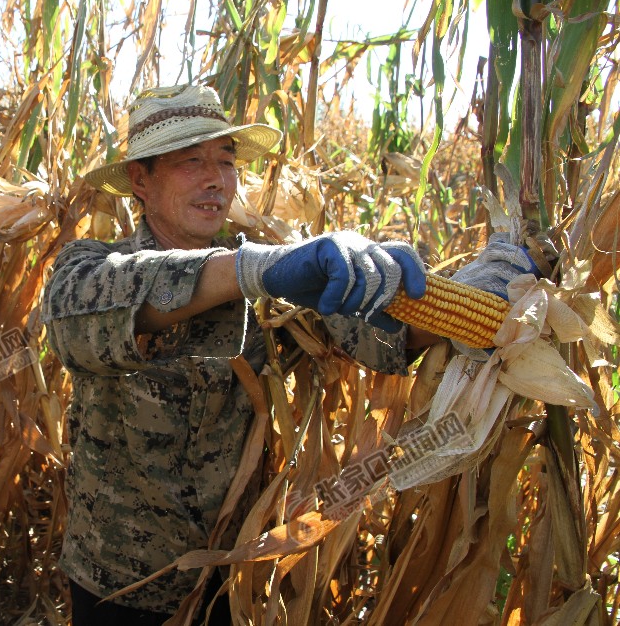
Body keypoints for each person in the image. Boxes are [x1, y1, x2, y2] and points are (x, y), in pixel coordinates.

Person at [40, 84, 539, 624]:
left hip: (231, 574)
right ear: (141, 179)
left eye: (226, 161)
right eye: (191, 161)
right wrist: (252, 269)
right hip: (119, 581)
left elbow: (381, 342)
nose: (217, 179)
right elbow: (82, 319)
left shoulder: (278, 290)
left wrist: (470, 290)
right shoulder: (90, 266)